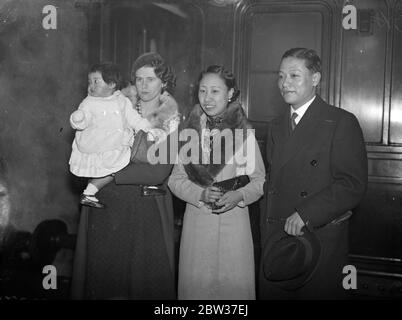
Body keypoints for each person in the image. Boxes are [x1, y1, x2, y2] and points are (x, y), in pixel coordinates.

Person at [259, 48, 368, 299]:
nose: (285, 83)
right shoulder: (275, 125)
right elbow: (273, 181)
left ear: (315, 79)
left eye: (294, 76)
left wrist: (307, 213)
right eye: (281, 76)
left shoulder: (340, 121)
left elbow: (352, 184)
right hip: (277, 239)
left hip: (316, 238)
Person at [70, 52, 179, 299]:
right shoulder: (114, 104)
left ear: (164, 82)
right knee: (103, 283)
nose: (143, 85)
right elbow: (86, 143)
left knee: (139, 285)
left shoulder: (170, 119)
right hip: (106, 206)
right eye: (139, 79)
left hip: (142, 211)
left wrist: (107, 172)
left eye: (151, 79)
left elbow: (158, 172)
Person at [168, 65, 265, 300]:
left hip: (234, 226)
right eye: (202, 91)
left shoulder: (242, 132)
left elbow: (259, 180)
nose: (207, 99)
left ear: (230, 93)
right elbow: (175, 179)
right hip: (197, 226)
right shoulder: (189, 132)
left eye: (215, 91)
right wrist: (199, 194)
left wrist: (239, 196)